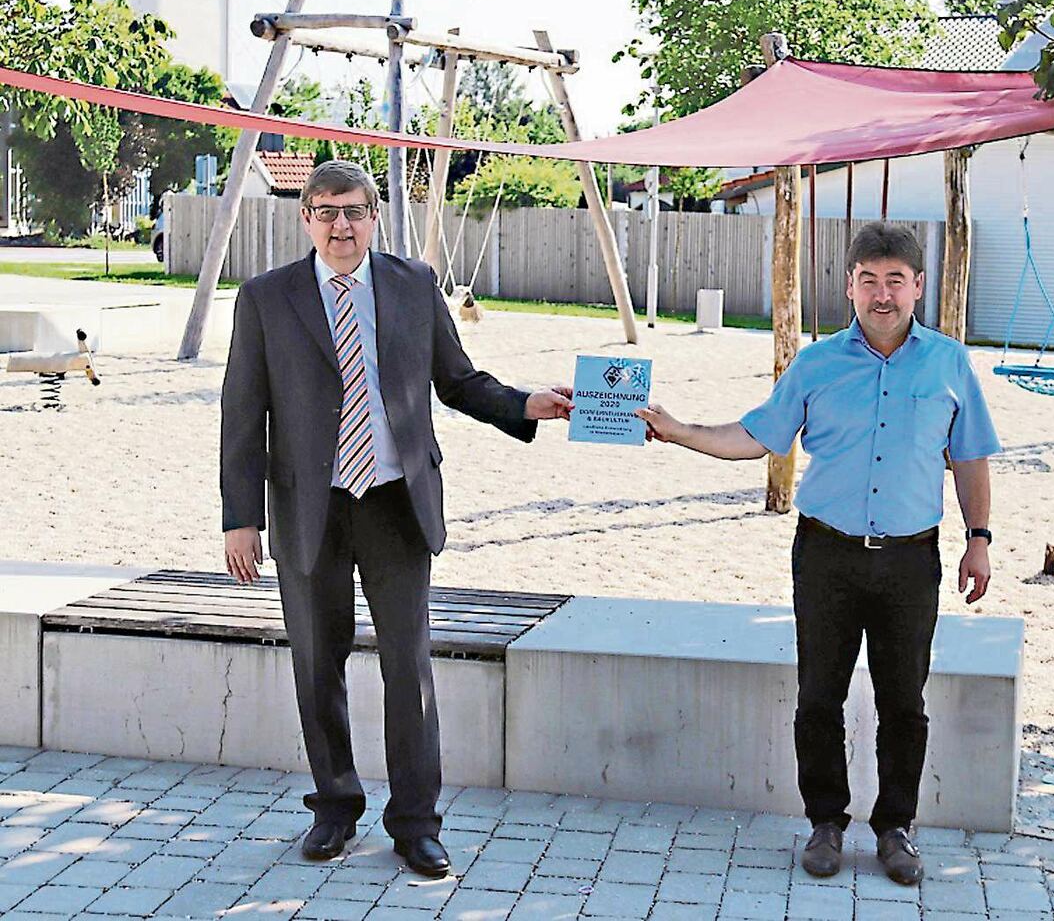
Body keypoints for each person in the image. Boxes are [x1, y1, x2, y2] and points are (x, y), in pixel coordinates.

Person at [220, 160, 571, 875]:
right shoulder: (264, 298)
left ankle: (415, 823)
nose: (340, 225)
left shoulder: (413, 285)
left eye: (352, 210)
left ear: (374, 215)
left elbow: (457, 380)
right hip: (307, 508)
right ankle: (334, 808)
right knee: (317, 665)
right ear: (305, 219)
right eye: (325, 212)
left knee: (407, 668)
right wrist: (240, 517)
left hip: (395, 503)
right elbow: (241, 412)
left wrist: (524, 404)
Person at [637, 221, 1000, 886]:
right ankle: (825, 823)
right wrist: (677, 429)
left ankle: (895, 828)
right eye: (868, 280)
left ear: (918, 286)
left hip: (908, 561)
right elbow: (756, 436)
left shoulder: (948, 363)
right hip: (825, 556)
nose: (881, 294)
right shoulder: (815, 364)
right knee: (817, 697)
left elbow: (969, 455)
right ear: (848, 287)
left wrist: (978, 539)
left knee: (904, 704)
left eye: (895, 280)